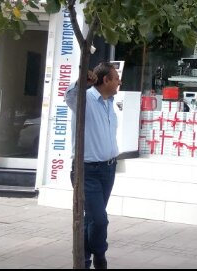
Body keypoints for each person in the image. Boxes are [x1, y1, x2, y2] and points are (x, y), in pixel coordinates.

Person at [66, 62, 121, 269]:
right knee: (99, 220)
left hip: (108, 169)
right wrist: (81, 81)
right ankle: (99, 254)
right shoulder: (85, 98)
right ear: (105, 80)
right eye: (116, 78)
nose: (119, 82)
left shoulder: (109, 103)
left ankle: (84, 261)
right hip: (87, 171)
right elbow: (69, 95)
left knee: (92, 218)